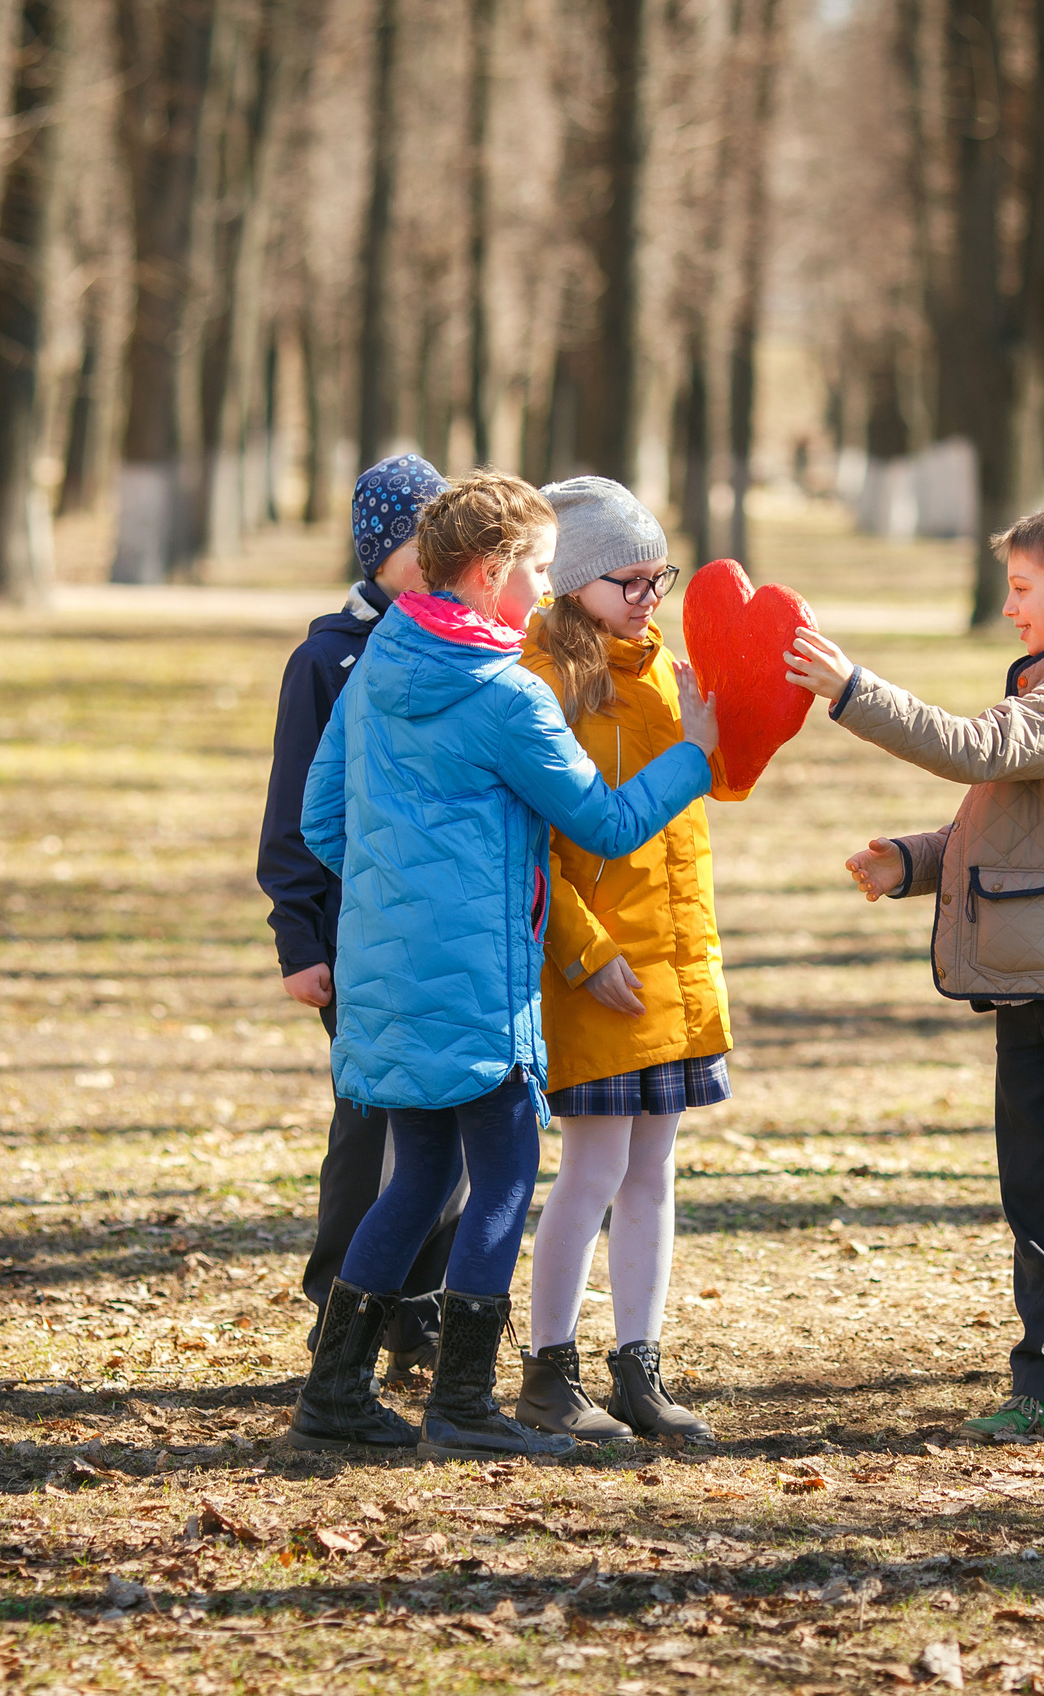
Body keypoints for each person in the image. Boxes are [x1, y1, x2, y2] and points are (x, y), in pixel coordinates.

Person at [291, 470, 721, 1459]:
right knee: (501, 1177)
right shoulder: (507, 696)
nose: (545, 587)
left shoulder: (382, 659)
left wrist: (400, 899)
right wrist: (694, 755)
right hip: (478, 980)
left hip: (388, 971)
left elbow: (322, 820)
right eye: (538, 568)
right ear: (489, 573)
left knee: (418, 1176)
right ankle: (464, 1403)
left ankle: (335, 1391)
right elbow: (605, 822)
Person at [781, 489, 1044, 1453]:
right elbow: (1001, 820)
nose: (1009, 604)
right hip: (1035, 971)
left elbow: (976, 750)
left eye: (1022, 587)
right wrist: (913, 862)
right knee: (1038, 1194)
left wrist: (851, 690)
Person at [512, 479, 723, 1444]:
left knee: (654, 1166)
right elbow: (535, 850)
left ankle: (640, 1364)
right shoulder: (541, 681)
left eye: (657, 577)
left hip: (673, 957)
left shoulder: (667, 669)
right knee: (592, 1167)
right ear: (574, 582)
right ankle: (548, 1366)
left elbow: (701, 795)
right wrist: (584, 952)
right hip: (596, 965)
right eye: (627, 581)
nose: (648, 597)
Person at [256, 454, 463, 1380]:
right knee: (372, 1126)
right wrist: (299, 939)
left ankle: (418, 1305)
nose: (445, 558)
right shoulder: (327, 660)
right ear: (384, 550)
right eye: (427, 542)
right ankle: (339, 1306)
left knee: (454, 1127)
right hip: (356, 940)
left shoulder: (466, 646)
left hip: (444, 935)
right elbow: (293, 816)